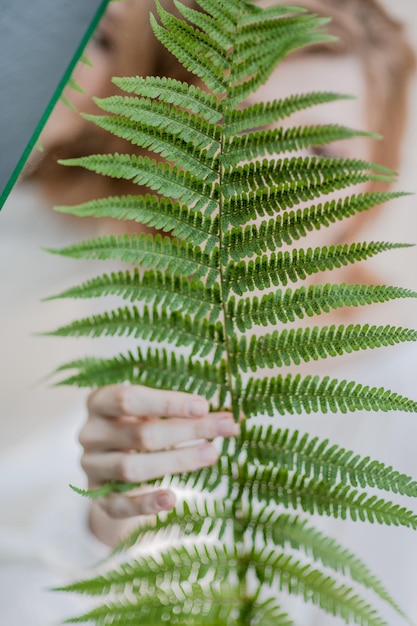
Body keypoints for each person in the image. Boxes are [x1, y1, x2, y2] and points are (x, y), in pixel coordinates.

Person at [0, 0, 416, 624]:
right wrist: (108, 523)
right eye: (244, 136)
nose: (270, 182)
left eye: (320, 152)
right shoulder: (112, 328)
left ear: (370, 189)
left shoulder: (399, 392)